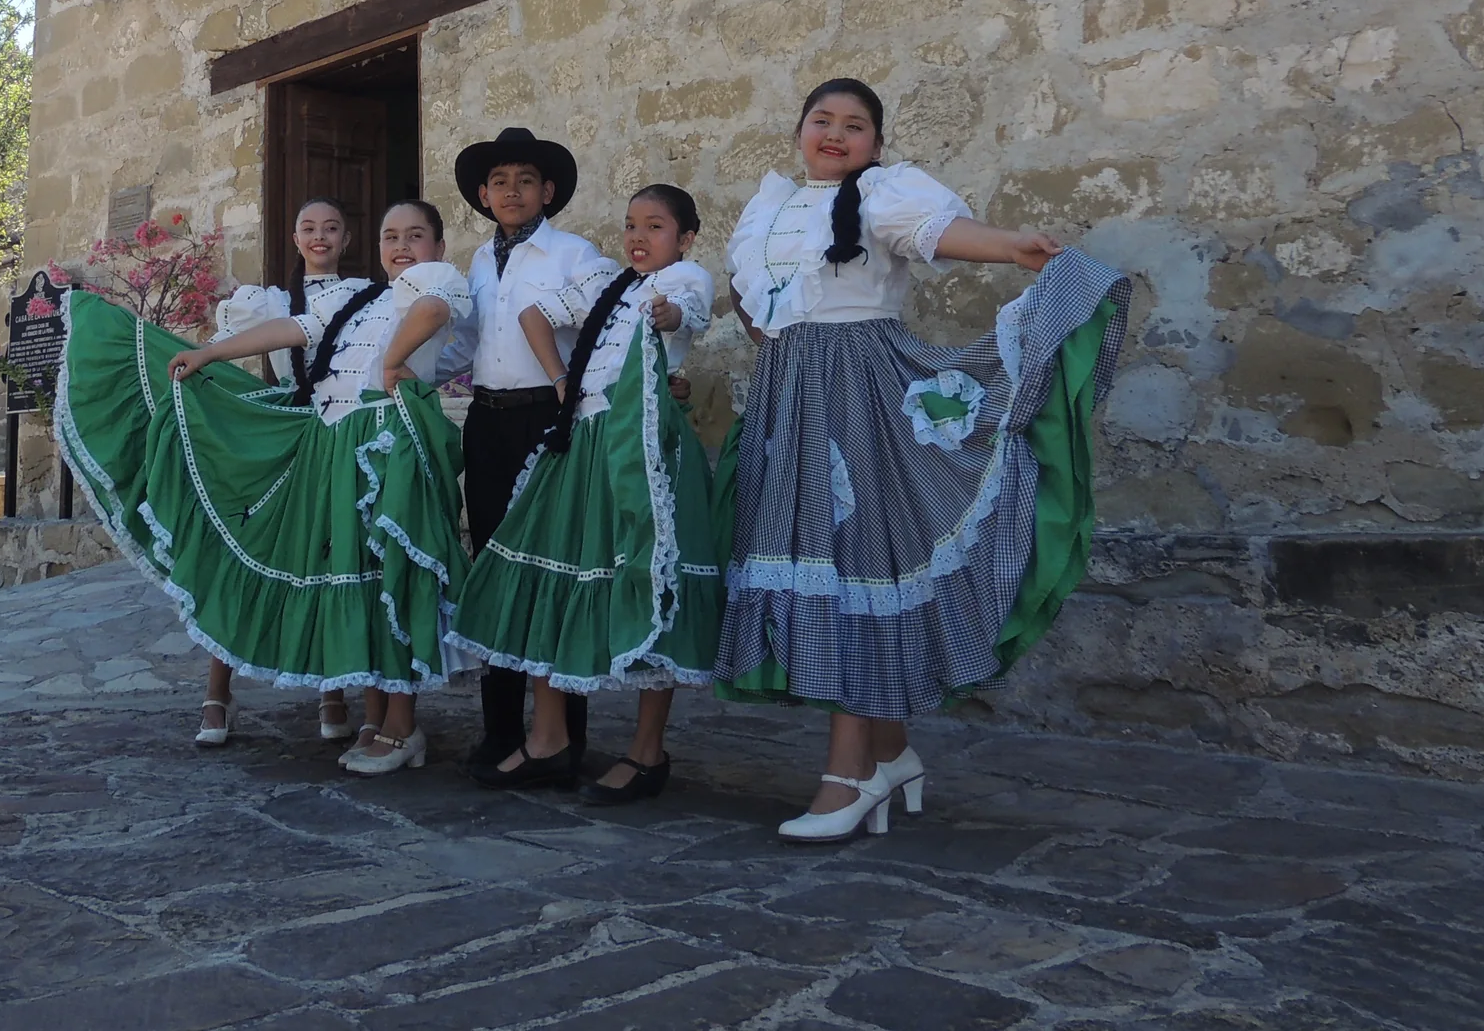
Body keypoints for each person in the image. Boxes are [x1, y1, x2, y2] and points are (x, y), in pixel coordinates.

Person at [718, 79, 1131, 843]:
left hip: (860, 384)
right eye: (822, 120)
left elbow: (939, 233)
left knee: (852, 560)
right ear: (798, 128)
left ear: (876, 142)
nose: (836, 134)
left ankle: (848, 776)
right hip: (791, 390)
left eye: (856, 125)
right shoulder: (766, 205)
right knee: (827, 554)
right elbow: (755, 301)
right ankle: (891, 753)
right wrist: (780, 347)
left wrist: (1012, 246)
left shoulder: (881, 195)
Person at [53, 200, 472, 776]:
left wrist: (396, 360)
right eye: (390, 236)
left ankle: (403, 726)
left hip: (386, 442)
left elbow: (429, 310)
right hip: (337, 445)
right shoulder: (365, 299)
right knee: (362, 576)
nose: (402, 246)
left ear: (438, 247)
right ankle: (377, 716)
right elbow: (293, 328)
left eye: (415, 235)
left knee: (395, 576)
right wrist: (208, 352)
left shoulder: (436, 280)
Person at [449, 184, 723, 804]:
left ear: (684, 238)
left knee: (650, 577)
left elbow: (685, 311)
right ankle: (549, 740)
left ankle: (647, 752)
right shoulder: (606, 283)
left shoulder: (683, 278)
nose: (639, 236)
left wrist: (665, 317)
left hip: (643, 442)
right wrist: (561, 381)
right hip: (584, 436)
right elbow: (533, 315)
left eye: (655, 226)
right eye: (631, 224)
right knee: (559, 572)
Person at [448, 127, 616, 775]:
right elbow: (468, 348)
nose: (510, 192)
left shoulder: (575, 255)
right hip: (486, 423)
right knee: (491, 561)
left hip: (548, 421)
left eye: (523, 180)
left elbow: (604, 329)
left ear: (547, 191)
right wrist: (410, 374)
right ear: (484, 196)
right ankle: (500, 731)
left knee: (552, 563)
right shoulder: (476, 263)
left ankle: (564, 736)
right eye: (498, 182)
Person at [204, 195, 371, 744]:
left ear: (346, 240)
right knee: (247, 549)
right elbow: (228, 346)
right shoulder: (268, 301)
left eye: (331, 227)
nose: (319, 236)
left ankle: (333, 691)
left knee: (331, 550)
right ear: (295, 240)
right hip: (282, 435)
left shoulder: (367, 294)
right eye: (308, 228)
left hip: (335, 434)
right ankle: (217, 694)